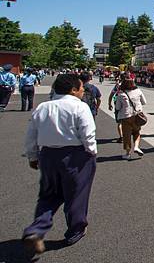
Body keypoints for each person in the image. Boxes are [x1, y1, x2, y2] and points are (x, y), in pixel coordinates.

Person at [22, 74, 97, 257]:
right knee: (76, 194)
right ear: (73, 90)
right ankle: (75, 230)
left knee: (48, 194)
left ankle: (37, 229)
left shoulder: (43, 107)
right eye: (81, 88)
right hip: (76, 156)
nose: (82, 91)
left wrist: (32, 156)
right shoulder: (80, 107)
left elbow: (31, 134)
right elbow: (87, 134)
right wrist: (92, 152)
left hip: (47, 154)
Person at [115, 79, 147, 160]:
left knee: (126, 135)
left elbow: (117, 107)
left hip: (126, 117)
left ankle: (128, 153)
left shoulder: (121, 94)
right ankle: (136, 146)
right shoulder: (138, 91)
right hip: (137, 116)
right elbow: (144, 102)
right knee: (137, 132)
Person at [108, 75, 125, 143]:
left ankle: (121, 137)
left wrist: (109, 104)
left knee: (119, 122)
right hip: (127, 106)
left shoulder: (118, 86)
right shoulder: (131, 85)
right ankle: (126, 135)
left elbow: (111, 94)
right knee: (126, 122)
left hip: (118, 105)